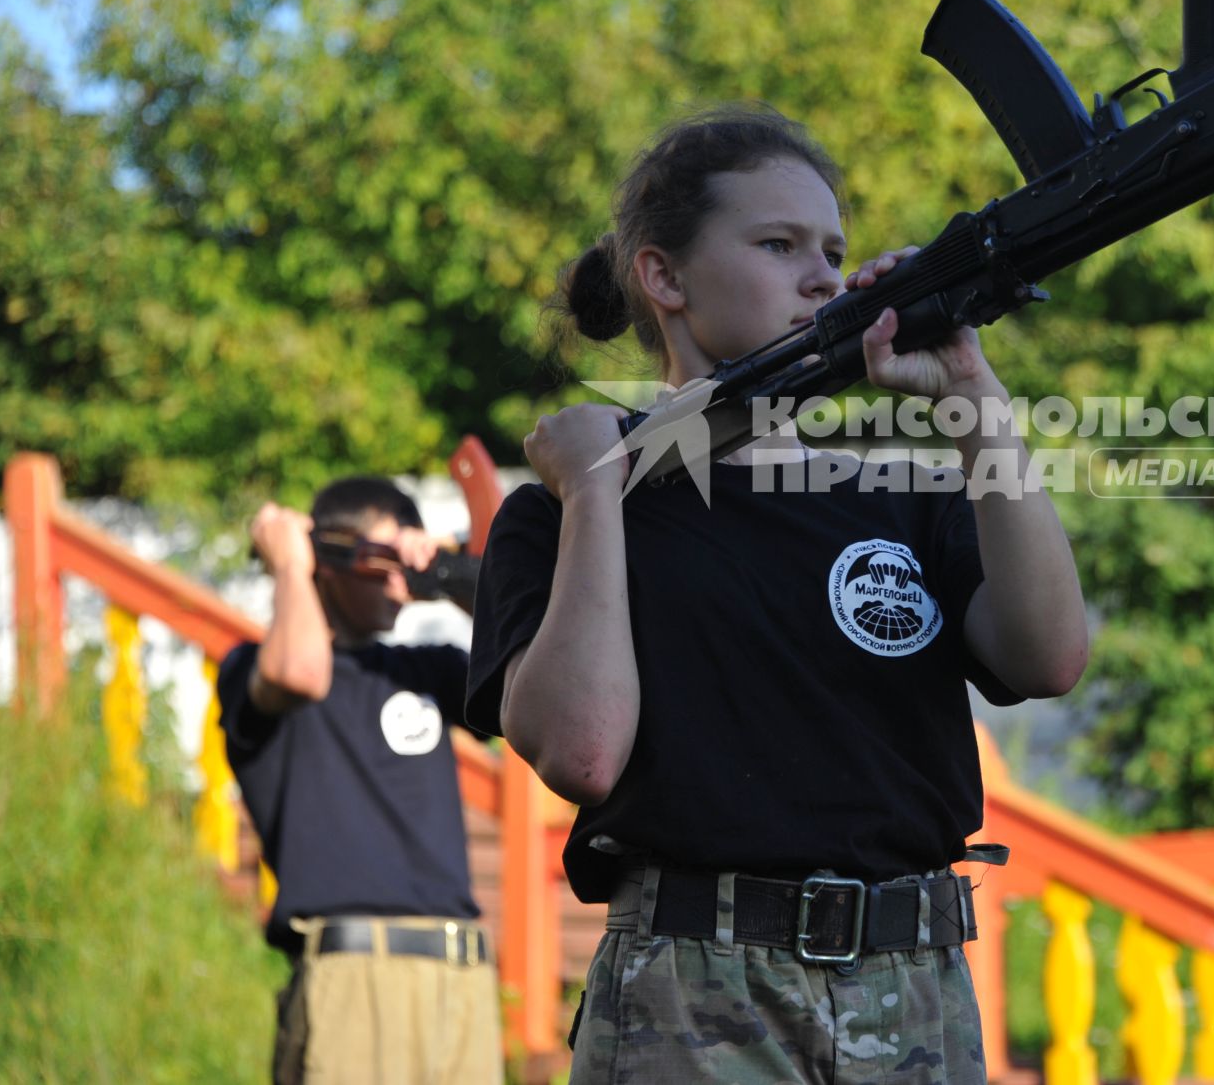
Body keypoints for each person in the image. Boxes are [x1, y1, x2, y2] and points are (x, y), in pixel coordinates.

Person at [467, 107, 1089, 1083]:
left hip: (916, 983)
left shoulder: (903, 491)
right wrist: (595, 493)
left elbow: (1048, 656)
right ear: (663, 277)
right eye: (778, 243)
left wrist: (977, 401)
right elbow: (584, 752)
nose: (824, 278)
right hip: (695, 990)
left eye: (834, 251)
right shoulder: (567, 508)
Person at [219, 477, 502, 1085]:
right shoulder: (252, 669)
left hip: (461, 980)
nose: (400, 583)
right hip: (353, 979)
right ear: (330, 557)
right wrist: (291, 567)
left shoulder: (428, 670)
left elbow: (537, 673)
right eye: (383, 563)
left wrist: (452, 578)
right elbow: (299, 671)